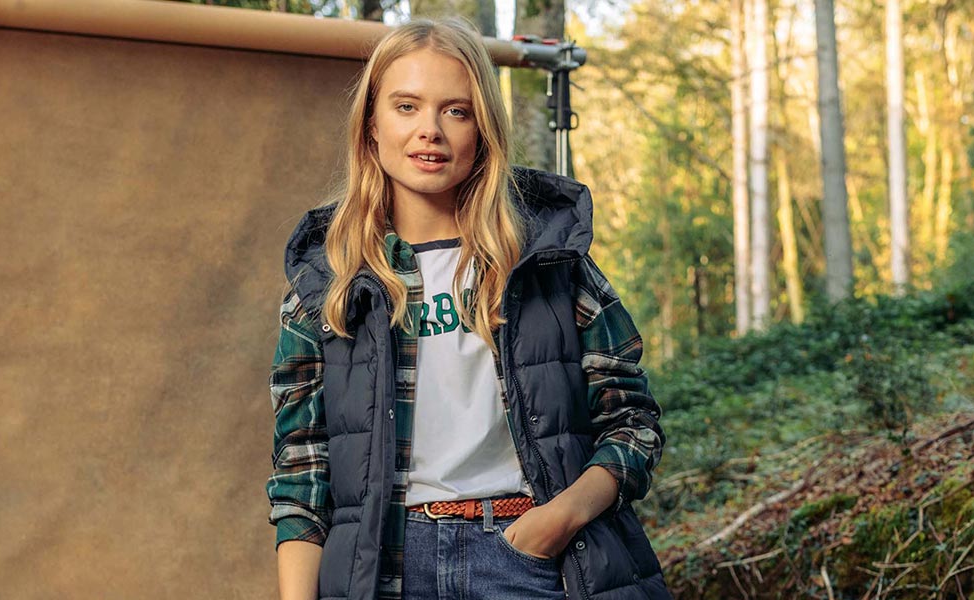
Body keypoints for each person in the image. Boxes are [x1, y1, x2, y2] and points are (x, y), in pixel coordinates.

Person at [266, 18, 672, 600]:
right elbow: (301, 472)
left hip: (529, 558)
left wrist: (555, 522)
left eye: (456, 111)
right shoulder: (324, 283)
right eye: (406, 107)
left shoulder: (549, 261)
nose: (429, 130)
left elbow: (632, 421)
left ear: (483, 129)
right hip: (383, 571)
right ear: (371, 127)